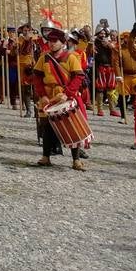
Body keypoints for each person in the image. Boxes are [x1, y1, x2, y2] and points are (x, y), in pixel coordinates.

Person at [30, 17, 89, 170]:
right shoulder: (44, 57)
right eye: (50, 41)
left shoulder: (71, 57)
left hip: (64, 95)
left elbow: (78, 77)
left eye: (55, 41)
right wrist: (42, 94)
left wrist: (68, 93)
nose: (51, 43)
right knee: (47, 127)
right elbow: (36, 76)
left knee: (71, 127)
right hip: (48, 96)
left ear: (63, 43)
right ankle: (45, 156)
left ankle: (76, 160)